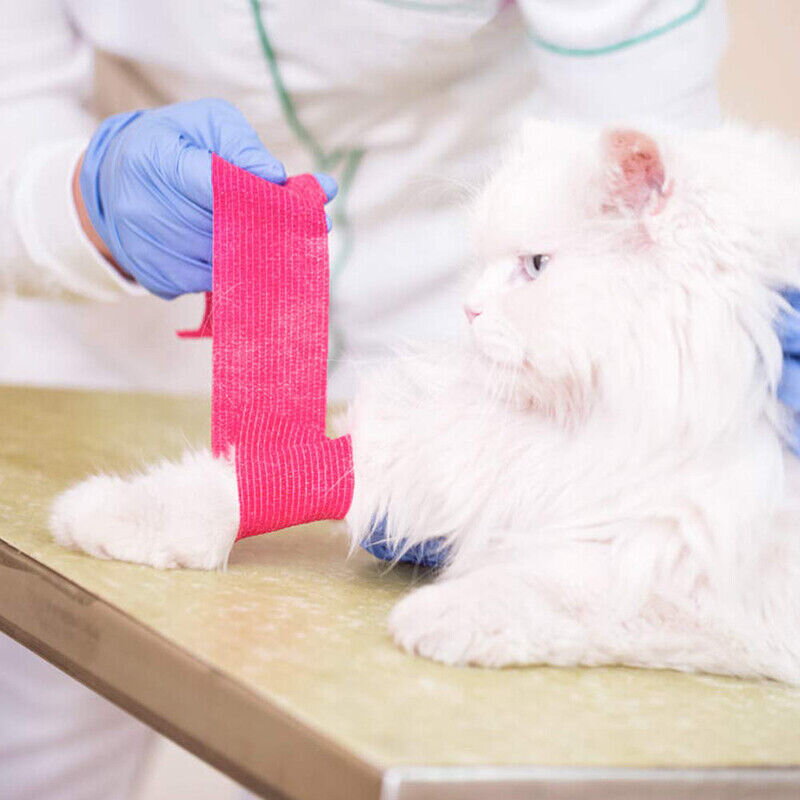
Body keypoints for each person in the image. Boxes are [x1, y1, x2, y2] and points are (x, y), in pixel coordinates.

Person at [2, 1, 778, 798]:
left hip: (451, 287)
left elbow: (646, 180)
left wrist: (702, 346)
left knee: (412, 714)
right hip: (121, 323)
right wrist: (82, 202)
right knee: (44, 724)